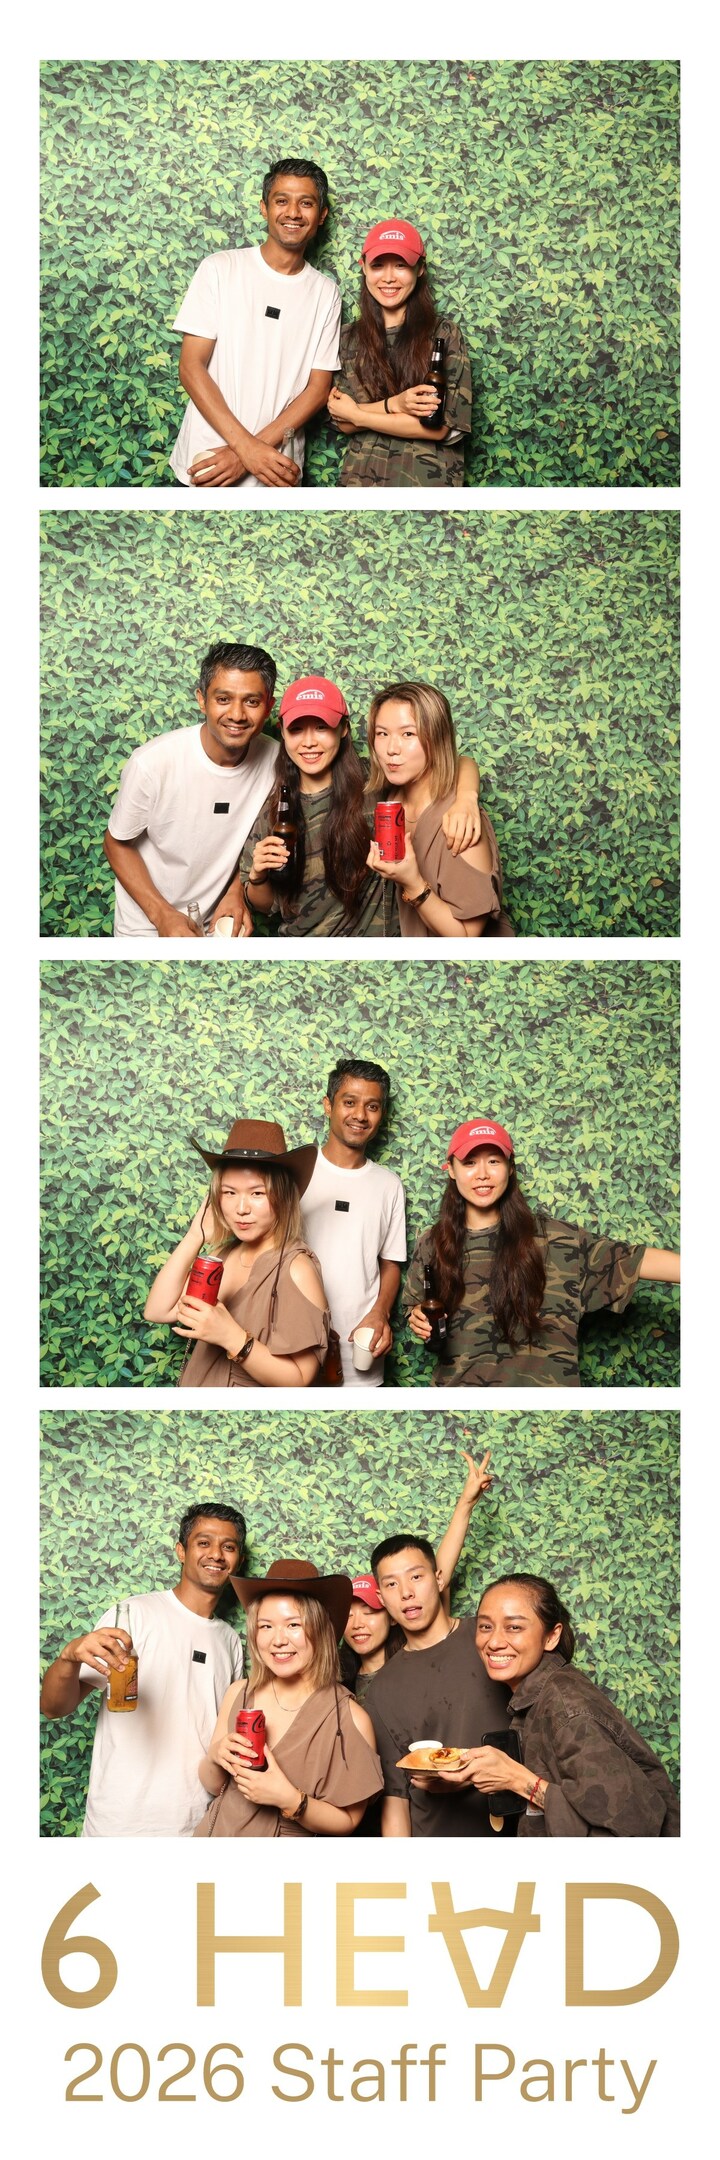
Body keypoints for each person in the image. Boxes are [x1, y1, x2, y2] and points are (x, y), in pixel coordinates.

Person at [404, 1117, 681, 1387]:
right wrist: (417, 1317)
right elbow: (415, 1306)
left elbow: (634, 1260)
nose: (482, 1174)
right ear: (451, 1170)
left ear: (510, 1168)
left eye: (494, 1161)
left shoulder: (559, 1238)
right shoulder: (432, 1243)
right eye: (469, 1162)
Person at [39, 1504, 246, 1837]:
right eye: (203, 1543)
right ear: (181, 1551)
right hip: (120, 1824)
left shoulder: (230, 1640)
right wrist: (68, 1658)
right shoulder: (133, 1615)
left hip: (196, 1825)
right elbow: (53, 1707)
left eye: (229, 1546)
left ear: (238, 1559)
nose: (216, 1555)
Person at [432, 1574, 680, 1836]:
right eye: (485, 1627)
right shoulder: (536, 1695)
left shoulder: (567, 1708)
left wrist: (518, 1780)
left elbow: (635, 1827)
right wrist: (469, 1776)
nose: (493, 1642)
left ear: (552, 1636)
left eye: (514, 1627)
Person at [240, 674, 486, 938]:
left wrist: (466, 797)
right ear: (282, 731)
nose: (309, 742)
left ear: (344, 728)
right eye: (296, 729)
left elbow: (449, 760)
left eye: (322, 727)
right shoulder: (276, 810)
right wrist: (258, 876)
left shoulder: (376, 782)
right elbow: (265, 905)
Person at [170, 158, 340, 490]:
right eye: (282, 200)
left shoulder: (326, 293)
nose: (293, 213)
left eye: (306, 203)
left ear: (321, 215)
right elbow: (191, 366)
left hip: (276, 471)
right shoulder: (219, 269)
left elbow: (318, 390)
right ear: (264, 207)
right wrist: (246, 449)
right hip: (207, 464)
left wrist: (249, 453)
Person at [195, 1559, 383, 1836]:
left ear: (320, 1629)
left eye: (293, 1624)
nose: (278, 1640)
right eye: (266, 1626)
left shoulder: (351, 1719)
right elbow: (214, 1785)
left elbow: (348, 1821)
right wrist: (215, 1756)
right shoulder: (240, 1693)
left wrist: (290, 1799)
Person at [103, 641, 279, 937]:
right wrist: (162, 916)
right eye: (223, 699)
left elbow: (259, 840)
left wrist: (236, 890)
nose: (237, 714)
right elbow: (115, 844)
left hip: (217, 925)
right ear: (202, 700)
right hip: (146, 926)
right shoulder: (152, 763)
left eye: (251, 701)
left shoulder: (277, 761)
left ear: (268, 707)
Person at [144, 1119, 330, 1388]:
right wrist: (195, 1236)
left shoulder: (297, 1268)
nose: (241, 1208)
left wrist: (231, 1337)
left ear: (283, 1197)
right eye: (229, 1192)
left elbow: (301, 1379)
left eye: (257, 1193)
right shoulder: (222, 1255)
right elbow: (158, 1310)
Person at [364, 1535, 514, 1838]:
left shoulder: (490, 1640)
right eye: (392, 1584)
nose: (406, 1593)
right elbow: (396, 1797)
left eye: (416, 1577)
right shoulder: (381, 1690)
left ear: (438, 1578)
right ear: (381, 1597)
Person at [340, 1449, 494, 1704]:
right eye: (348, 1615)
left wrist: (465, 1504)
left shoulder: (428, 1639)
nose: (358, 1624)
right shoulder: (343, 1682)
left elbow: (438, 1573)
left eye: (368, 1612)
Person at [328, 218, 471, 488]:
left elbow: (439, 428)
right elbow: (341, 419)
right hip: (360, 487)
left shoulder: (444, 335)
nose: (389, 277)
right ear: (363, 267)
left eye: (401, 265)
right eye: (378, 265)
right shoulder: (347, 338)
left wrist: (360, 415)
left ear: (420, 268)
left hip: (428, 489)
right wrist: (395, 405)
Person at [364, 681, 514, 937]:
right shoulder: (390, 799)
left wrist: (413, 883)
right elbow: (464, 761)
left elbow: (467, 939)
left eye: (408, 734)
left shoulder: (458, 821)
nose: (391, 749)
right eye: (382, 733)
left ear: (436, 738)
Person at [290, 1058, 406, 1387]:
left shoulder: (389, 1185)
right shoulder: (295, 1173)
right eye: (349, 1102)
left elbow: (391, 1263)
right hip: (293, 1347)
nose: (360, 1115)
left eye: (372, 1106)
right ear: (328, 1105)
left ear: (382, 1114)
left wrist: (380, 1313)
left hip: (361, 1351)